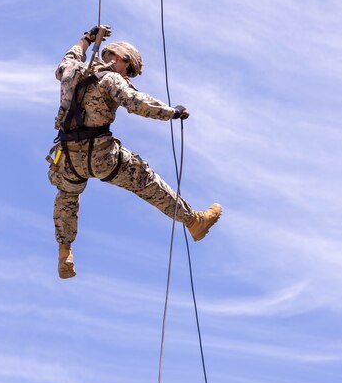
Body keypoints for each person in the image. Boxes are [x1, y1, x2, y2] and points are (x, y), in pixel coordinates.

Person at [48, 26, 222, 278]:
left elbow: (72, 54)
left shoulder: (69, 69)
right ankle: (193, 222)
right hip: (101, 156)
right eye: (129, 70)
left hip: (67, 157)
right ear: (118, 59)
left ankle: (65, 252)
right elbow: (136, 103)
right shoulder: (111, 79)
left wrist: (86, 38)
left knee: (67, 198)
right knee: (145, 180)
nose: (128, 75)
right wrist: (172, 112)